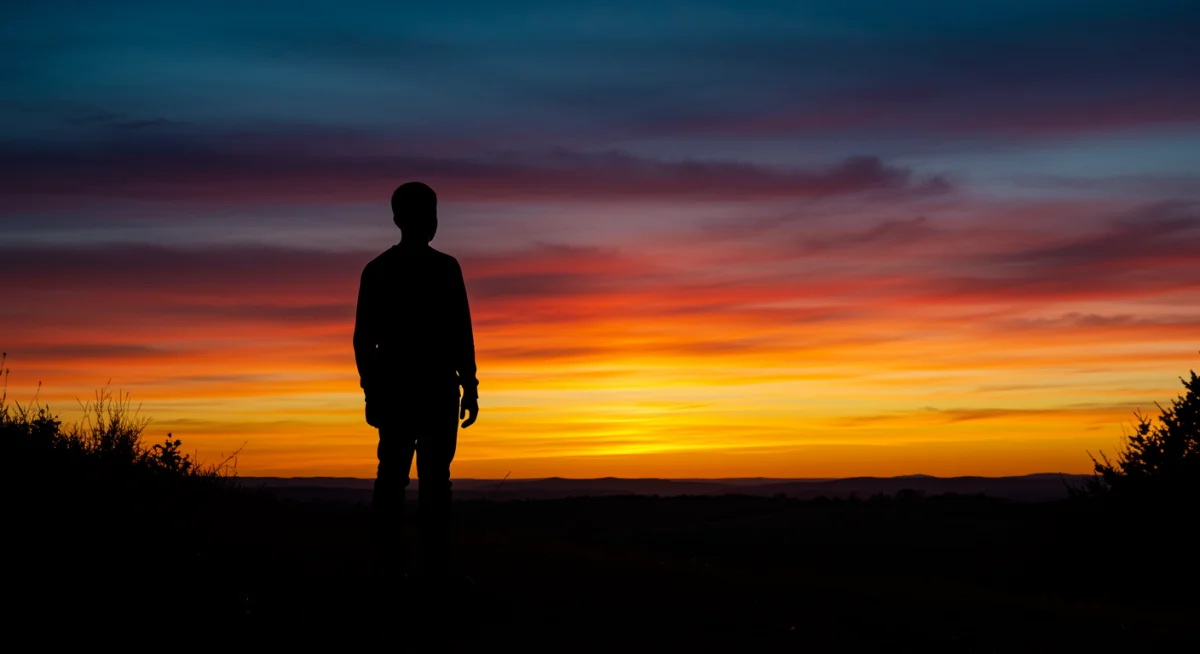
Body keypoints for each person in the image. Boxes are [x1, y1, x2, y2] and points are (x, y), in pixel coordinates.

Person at [354, 181, 479, 585]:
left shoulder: (378, 271)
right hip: (433, 391)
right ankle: (429, 574)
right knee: (431, 483)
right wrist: (470, 386)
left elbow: (363, 340)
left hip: (400, 392)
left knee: (393, 480)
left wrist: (372, 390)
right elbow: (462, 332)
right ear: (430, 219)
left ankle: (392, 572)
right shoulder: (444, 269)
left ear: (396, 218)